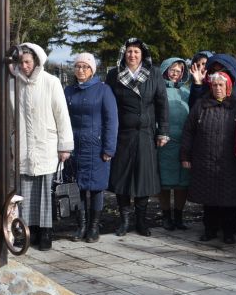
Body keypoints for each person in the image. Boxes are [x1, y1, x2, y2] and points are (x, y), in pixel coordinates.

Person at [10, 43, 74, 250]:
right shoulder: (13, 84)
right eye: (21, 62)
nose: (25, 66)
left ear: (36, 61)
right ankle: (30, 231)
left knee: (46, 191)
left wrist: (64, 146)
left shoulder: (51, 82)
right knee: (26, 191)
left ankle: (46, 232)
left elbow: (61, 115)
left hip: (46, 144)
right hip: (23, 145)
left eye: (28, 62)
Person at [105, 38, 169, 236]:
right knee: (122, 178)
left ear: (142, 55)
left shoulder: (154, 73)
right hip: (122, 134)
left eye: (136, 52)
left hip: (145, 134)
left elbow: (162, 104)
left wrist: (163, 131)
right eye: (129, 51)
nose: (132, 55)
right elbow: (109, 105)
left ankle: (141, 221)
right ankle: (124, 221)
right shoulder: (114, 74)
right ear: (124, 53)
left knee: (144, 177)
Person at [181, 66, 236, 243]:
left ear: (228, 87)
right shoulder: (201, 105)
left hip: (231, 162)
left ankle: (229, 232)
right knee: (209, 199)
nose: (218, 88)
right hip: (205, 159)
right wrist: (185, 156)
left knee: (230, 200)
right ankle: (210, 230)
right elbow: (189, 131)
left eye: (221, 85)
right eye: (215, 85)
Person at [64, 53, 117, 242]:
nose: (80, 70)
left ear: (92, 70)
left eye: (85, 67)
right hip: (74, 147)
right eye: (77, 66)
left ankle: (94, 227)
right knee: (75, 187)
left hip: (96, 147)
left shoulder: (104, 90)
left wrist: (109, 149)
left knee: (95, 188)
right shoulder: (68, 91)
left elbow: (112, 121)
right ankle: (81, 225)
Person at [157, 57, 191, 230]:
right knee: (163, 182)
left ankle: (179, 215)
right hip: (163, 144)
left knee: (182, 183)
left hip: (183, 144)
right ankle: (165, 215)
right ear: (165, 70)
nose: (175, 74)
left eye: (179, 71)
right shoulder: (158, 89)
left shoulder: (187, 92)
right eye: (172, 70)